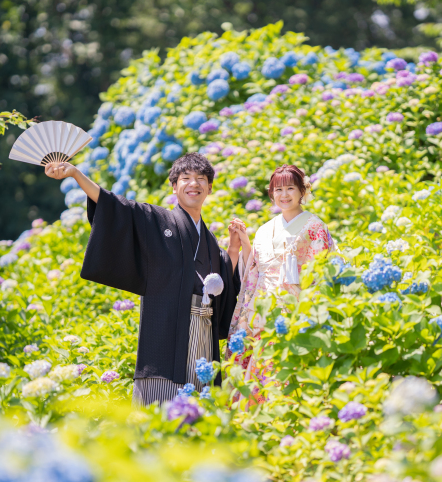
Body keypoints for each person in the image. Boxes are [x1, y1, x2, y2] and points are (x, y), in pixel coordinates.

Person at [44, 152, 240, 405]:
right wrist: (75, 174)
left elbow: (221, 281)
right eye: (186, 178)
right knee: (159, 410)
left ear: (210, 188)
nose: (194, 184)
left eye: (201, 179)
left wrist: (233, 249)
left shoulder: (211, 241)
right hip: (165, 334)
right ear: (174, 186)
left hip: (203, 333)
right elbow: (116, 207)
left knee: (202, 409)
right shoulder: (158, 221)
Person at [227, 164, 334, 368]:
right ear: (271, 193)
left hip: (295, 307)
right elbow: (254, 269)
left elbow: (323, 272)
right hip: (260, 309)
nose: (284, 195)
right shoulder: (265, 229)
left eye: (290, 188)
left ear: (303, 191)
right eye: (278, 190)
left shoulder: (315, 226)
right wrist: (245, 242)